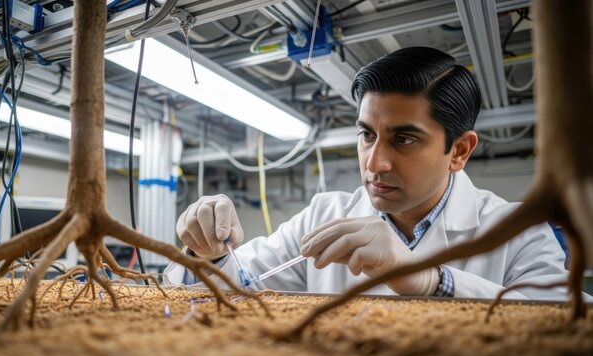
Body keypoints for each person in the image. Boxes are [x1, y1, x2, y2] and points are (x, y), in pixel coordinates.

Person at [164, 46, 569, 300]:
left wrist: (434, 281)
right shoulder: (326, 215)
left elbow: (568, 328)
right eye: (366, 134)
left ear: (459, 151)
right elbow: (238, 284)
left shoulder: (517, 230)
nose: (375, 163)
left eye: (404, 139)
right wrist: (210, 253)